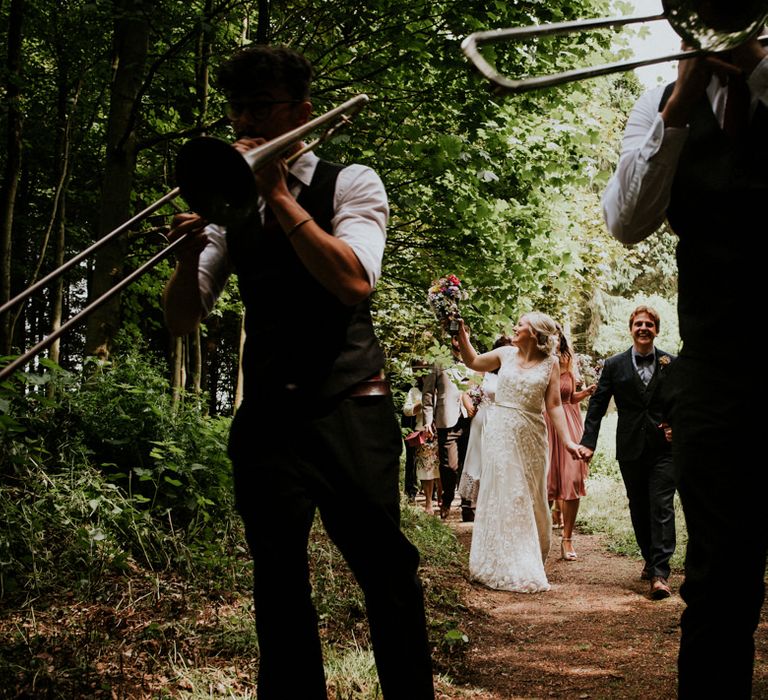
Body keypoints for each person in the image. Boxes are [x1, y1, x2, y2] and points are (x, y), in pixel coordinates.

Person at [162, 45, 433, 699]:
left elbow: (352, 280)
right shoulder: (232, 207)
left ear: (303, 114)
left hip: (351, 408)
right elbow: (182, 318)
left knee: (386, 576)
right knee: (278, 586)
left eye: (263, 109)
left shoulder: (353, 181)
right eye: (239, 112)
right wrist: (188, 254)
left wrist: (278, 194)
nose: (248, 126)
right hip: (270, 422)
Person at [601, 34, 767, 697]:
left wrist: (759, 77)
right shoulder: (658, 105)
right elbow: (628, 220)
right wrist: (680, 105)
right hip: (717, 373)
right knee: (720, 582)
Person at [456, 313, 581, 593]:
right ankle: (502, 561)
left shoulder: (551, 364)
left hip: (532, 435)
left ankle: (529, 556)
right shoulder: (505, 354)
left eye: (521, 325)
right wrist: (463, 337)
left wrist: (569, 441)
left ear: (535, 333)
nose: (515, 327)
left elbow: (554, 406)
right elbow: (473, 362)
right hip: (500, 432)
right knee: (504, 492)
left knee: (530, 496)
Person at [579, 306, 676, 599]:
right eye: (638, 324)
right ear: (631, 328)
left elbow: (683, 400)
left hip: (664, 448)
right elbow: (597, 406)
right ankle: (649, 556)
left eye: (649, 324)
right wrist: (588, 442)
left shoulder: (671, 362)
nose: (644, 328)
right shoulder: (614, 365)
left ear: (656, 330)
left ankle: (660, 573)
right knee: (639, 505)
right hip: (630, 446)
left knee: (661, 505)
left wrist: (678, 425)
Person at [545, 326, 595, 561]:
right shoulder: (537, 359)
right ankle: (540, 536)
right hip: (544, 423)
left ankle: (567, 539)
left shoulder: (568, 360)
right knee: (544, 482)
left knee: (572, 478)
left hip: (570, 422)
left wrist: (585, 393)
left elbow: (569, 397)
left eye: (556, 334)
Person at [458, 334, 513, 510]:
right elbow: (466, 393)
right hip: (482, 419)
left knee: (499, 460)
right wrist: (469, 407)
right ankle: (473, 504)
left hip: (504, 421)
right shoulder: (484, 370)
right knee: (479, 459)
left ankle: (497, 501)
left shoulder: (514, 372)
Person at [421, 336, 472, 521]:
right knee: (449, 466)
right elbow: (427, 393)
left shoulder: (474, 359)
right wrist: (428, 420)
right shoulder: (439, 362)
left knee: (470, 464)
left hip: (470, 419)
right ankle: (447, 499)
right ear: (452, 340)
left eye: (464, 336)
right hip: (446, 419)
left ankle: (468, 506)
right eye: (457, 337)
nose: (460, 341)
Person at [403, 372, 442, 514]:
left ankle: (443, 497)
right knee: (426, 469)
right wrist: (420, 404)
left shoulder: (441, 389)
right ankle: (428, 503)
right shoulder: (414, 391)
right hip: (423, 434)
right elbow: (407, 411)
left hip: (441, 432)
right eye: (424, 375)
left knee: (442, 467)